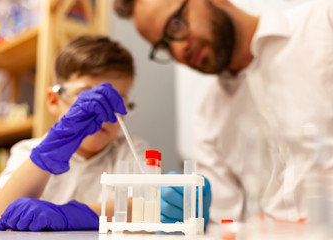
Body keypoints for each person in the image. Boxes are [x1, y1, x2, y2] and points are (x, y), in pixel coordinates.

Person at [113, 0, 333, 227]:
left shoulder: (324, 25)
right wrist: (198, 220)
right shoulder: (207, 116)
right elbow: (226, 223)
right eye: (164, 47)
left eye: (176, 25)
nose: (179, 50)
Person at [0, 35, 148, 231]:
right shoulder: (28, 150)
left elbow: (147, 206)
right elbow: (3, 214)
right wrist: (46, 157)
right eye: (88, 98)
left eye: (115, 102)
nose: (102, 114)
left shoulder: (130, 151)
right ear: (54, 100)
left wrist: (71, 216)